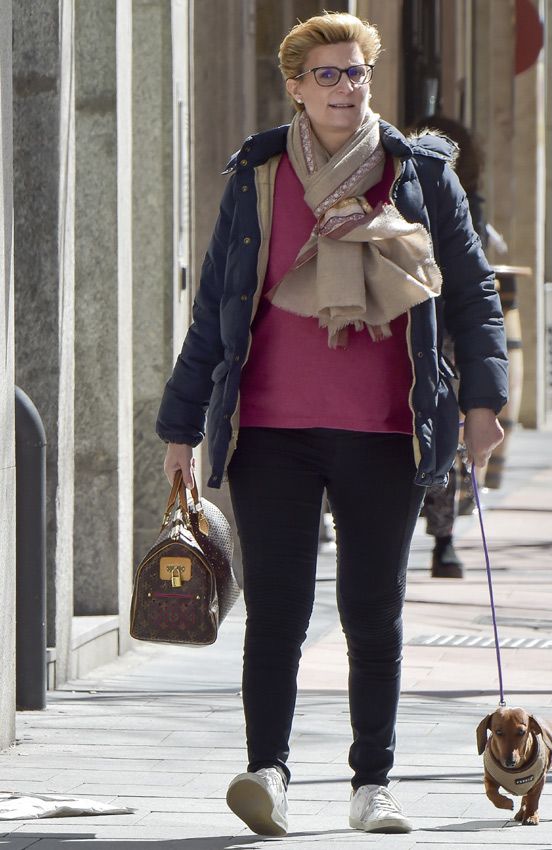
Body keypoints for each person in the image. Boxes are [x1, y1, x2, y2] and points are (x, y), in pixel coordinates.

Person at [157, 12, 507, 837]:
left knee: (370, 609)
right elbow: (215, 308)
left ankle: (371, 783)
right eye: (329, 76)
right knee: (277, 606)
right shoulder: (259, 174)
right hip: (269, 432)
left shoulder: (418, 175)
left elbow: (471, 295)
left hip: (385, 429)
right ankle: (268, 771)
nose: (346, 89)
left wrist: (484, 402)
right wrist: (181, 425)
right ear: (296, 87)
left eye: (357, 74)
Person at [409, 113, 489, 579]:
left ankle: (443, 539)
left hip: (440, 330)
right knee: (440, 431)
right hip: (429, 326)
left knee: (443, 429)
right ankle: (444, 541)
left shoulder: (456, 198)